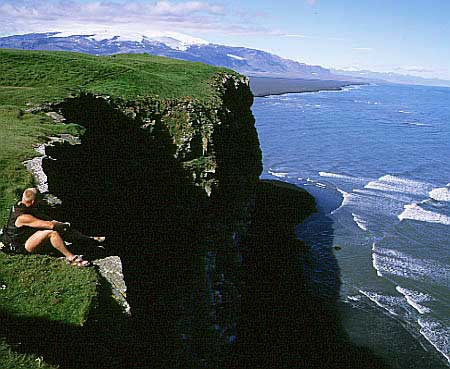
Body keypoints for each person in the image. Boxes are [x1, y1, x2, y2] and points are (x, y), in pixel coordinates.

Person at [2, 188, 105, 267]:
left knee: (59, 227)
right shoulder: (23, 217)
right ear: (33, 202)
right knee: (52, 233)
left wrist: (59, 224)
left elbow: (46, 219)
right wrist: (64, 225)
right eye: (40, 200)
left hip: (25, 236)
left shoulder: (22, 205)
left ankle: (88, 240)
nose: (42, 202)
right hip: (20, 245)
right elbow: (50, 225)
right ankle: (71, 258)